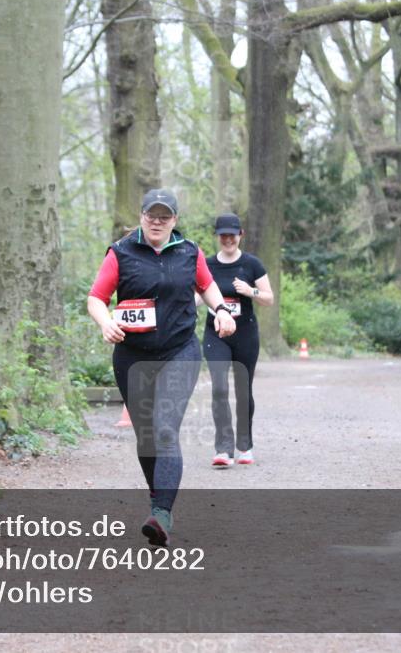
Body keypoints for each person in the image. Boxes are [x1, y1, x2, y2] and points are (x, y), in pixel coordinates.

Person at [87, 189, 236, 547]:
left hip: (179, 351)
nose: (157, 221)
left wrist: (222, 311)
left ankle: (162, 512)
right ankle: (160, 500)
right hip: (132, 355)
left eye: (164, 216)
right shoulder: (121, 252)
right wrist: (105, 322)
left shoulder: (189, 252)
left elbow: (208, 286)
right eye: (151, 215)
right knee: (147, 436)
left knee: (165, 427)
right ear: (141, 217)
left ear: (175, 220)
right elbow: (96, 297)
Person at [199, 213, 273, 468]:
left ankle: (245, 446)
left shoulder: (252, 264)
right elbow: (197, 295)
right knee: (219, 388)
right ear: (218, 237)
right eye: (223, 235)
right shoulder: (207, 265)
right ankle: (223, 448)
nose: (228, 239)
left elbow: (268, 298)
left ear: (241, 234)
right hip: (216, 334)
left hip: (245, 335)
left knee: (243, 391)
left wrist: (249, 291)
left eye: (233, 234)